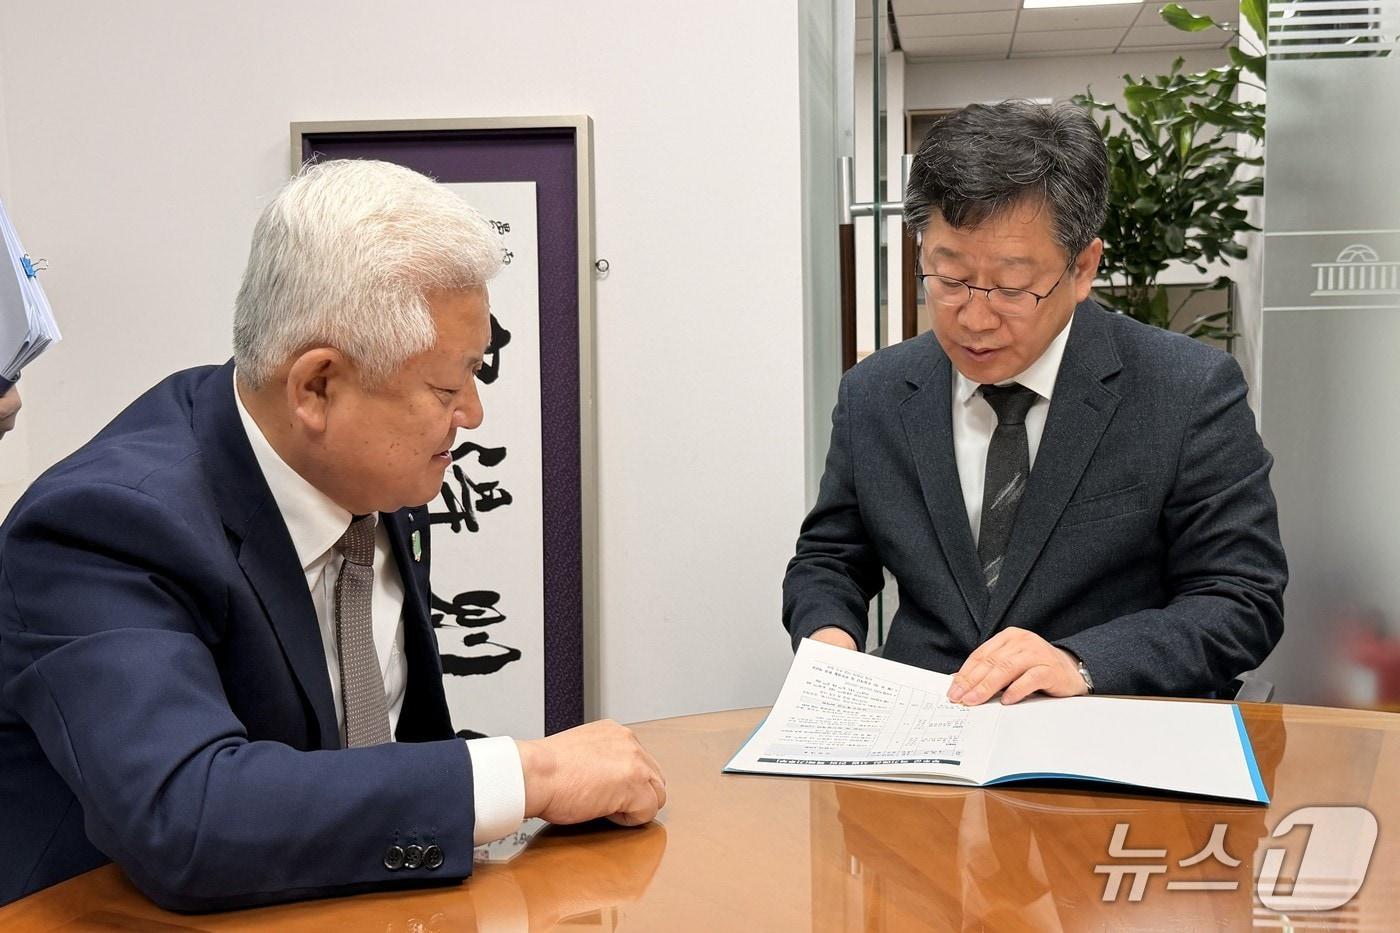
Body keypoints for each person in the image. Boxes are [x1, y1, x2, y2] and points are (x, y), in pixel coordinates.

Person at [0, 160, 665, 911]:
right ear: (317, 386)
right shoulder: (105, 525)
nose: (473, 414)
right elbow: (187, 815)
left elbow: (363, 746)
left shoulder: (376, 471)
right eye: (448, 388)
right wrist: (528, 774)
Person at [783, 100, 1286, 706]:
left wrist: (1080, 661)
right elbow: (832, 555)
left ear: (1083, 268)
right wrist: (830, 639)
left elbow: (1240, 597)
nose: (973, 318)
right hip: (921, 741)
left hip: (1103, 738)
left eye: (1012, 286)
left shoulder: (1185, 389)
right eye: (946, 279)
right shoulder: (876, 392)